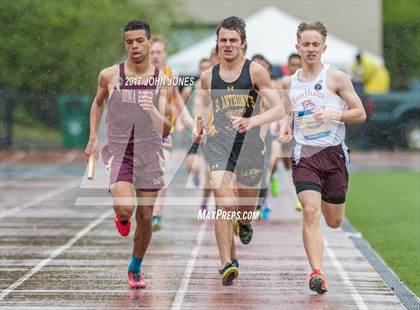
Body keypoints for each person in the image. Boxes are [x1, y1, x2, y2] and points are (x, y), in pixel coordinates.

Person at [193, 16, 285, 286]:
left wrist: (252, 121)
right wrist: (199, 124)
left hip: (250, 146)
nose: (228, 45)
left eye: (233, 40)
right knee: (224, 204)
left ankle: (245, 223)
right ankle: (226, 262)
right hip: (219, 145)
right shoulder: (208, 76)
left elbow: (278, 108)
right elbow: (200, 102)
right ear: (217, 44)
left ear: (243, 44)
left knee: (245, 208)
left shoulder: (255, 72)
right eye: (223, 40)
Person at [84, 20, 172, 289]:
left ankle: (135, 267)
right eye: (129, 41)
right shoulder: (109, 75)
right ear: (125, 43)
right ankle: (120, 216)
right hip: (120, 150)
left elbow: (167, 126)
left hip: (149, 151)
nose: (134, 46)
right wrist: (93, 137)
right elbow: (98, 104)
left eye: (139, 41)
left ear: (149, 43)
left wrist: (153, 111)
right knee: (126, 208)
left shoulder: (163, 81)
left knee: (145, 217)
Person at [280, 21, 366, 294]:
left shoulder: (336, 78)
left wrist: (334, 114)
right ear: (298, 47)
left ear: (324, 47)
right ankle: (317, 272)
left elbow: (360, 113)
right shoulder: (288, 83)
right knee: (310, 211)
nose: (310, 49)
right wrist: (284, 127)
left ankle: (320, 259)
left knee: (334, 221)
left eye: (315, 44)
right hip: (304, 156)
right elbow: (287, 112)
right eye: (306, 44)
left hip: (333, 156)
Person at [149, 35, 194, 231]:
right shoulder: (139, 74)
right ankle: (145, 210)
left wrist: (189, 121)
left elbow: (177, 100)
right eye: (152, 52)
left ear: (165, 54)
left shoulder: (171, 74)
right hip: (142, 135)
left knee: (162, 174)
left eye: (158, 52)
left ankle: (156, 215)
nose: (155, 56)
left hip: (164, 133)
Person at [182, 58, 213, 212]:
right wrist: (181, 122)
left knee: (208, 174)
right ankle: (195, 176)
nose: (204, 71)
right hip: (195, 131)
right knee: (190, 165)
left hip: (210, 133)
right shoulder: (191, 87)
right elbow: (180, 105)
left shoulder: (214, 88)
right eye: (202, 68)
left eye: (208, 68)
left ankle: (204, 202)